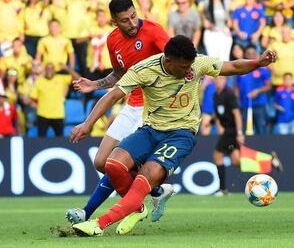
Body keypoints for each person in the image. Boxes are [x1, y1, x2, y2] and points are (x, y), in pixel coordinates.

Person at [70, 35, 277, 236]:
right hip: (150, 129)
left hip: (182, 133)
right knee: (112, 164)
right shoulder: (144, 70)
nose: (189, 71)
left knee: (146, 176)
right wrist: (88, 124)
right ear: (168, 61)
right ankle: (139, 207)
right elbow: (113, 95)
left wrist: (257, 62)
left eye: (190, 67)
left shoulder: (197, 63)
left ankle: (100, 224)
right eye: (184, 67)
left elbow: (232, 67)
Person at [66, 0, 173, 233]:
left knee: (116, 163)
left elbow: (178, 61)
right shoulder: (112, 40)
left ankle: (90, 211)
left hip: (155, 109)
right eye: (125, 20)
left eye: (134, 16)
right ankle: (155, 192)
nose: (133, 23)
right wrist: (95, 84)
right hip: (132, 104)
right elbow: (118, 74)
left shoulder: (154, 31)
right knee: (101, 162)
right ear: (114, 22)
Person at [213, 76, 244, 196]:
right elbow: (217, 113)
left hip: (232, 131)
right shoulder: (216, 95)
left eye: (220, 79)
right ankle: (269, 162)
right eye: (216, 79)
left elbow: (237, 114)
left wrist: (240, 133)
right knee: (236, 161)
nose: (218, 81)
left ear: (225, 80)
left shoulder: (229, 94)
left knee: (217, 156)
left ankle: (223, 189)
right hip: (226, 130)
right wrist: (218, 125)